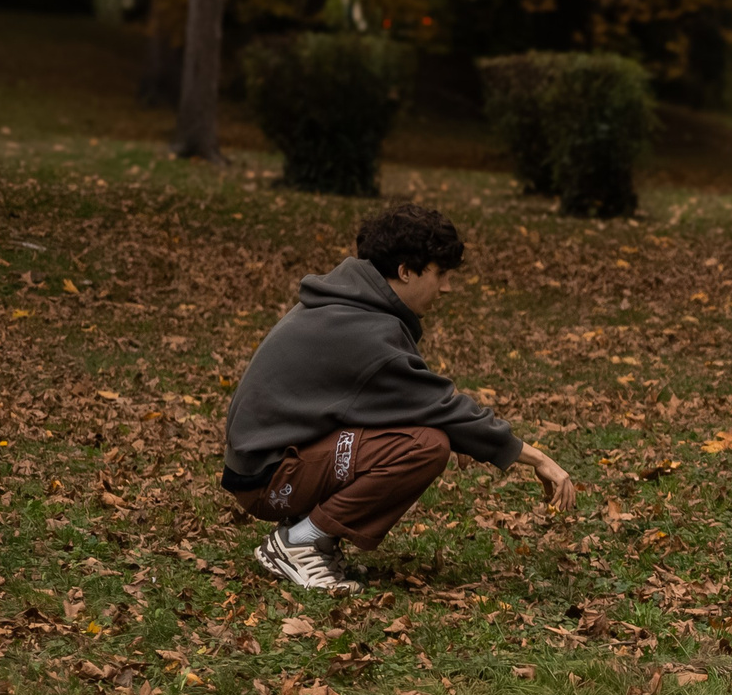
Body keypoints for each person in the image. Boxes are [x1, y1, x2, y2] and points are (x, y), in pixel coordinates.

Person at [222, 203, 575, 592]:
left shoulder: (348, 304)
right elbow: (443, 408)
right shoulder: (365, 331)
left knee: (425, 430)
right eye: (439, 273)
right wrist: (538, 458)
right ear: (405, 271)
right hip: (268, 482)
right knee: (424, 445)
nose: (446, 287)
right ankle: (298, 543)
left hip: (270, 463)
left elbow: (411, 402)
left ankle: (308, 535)